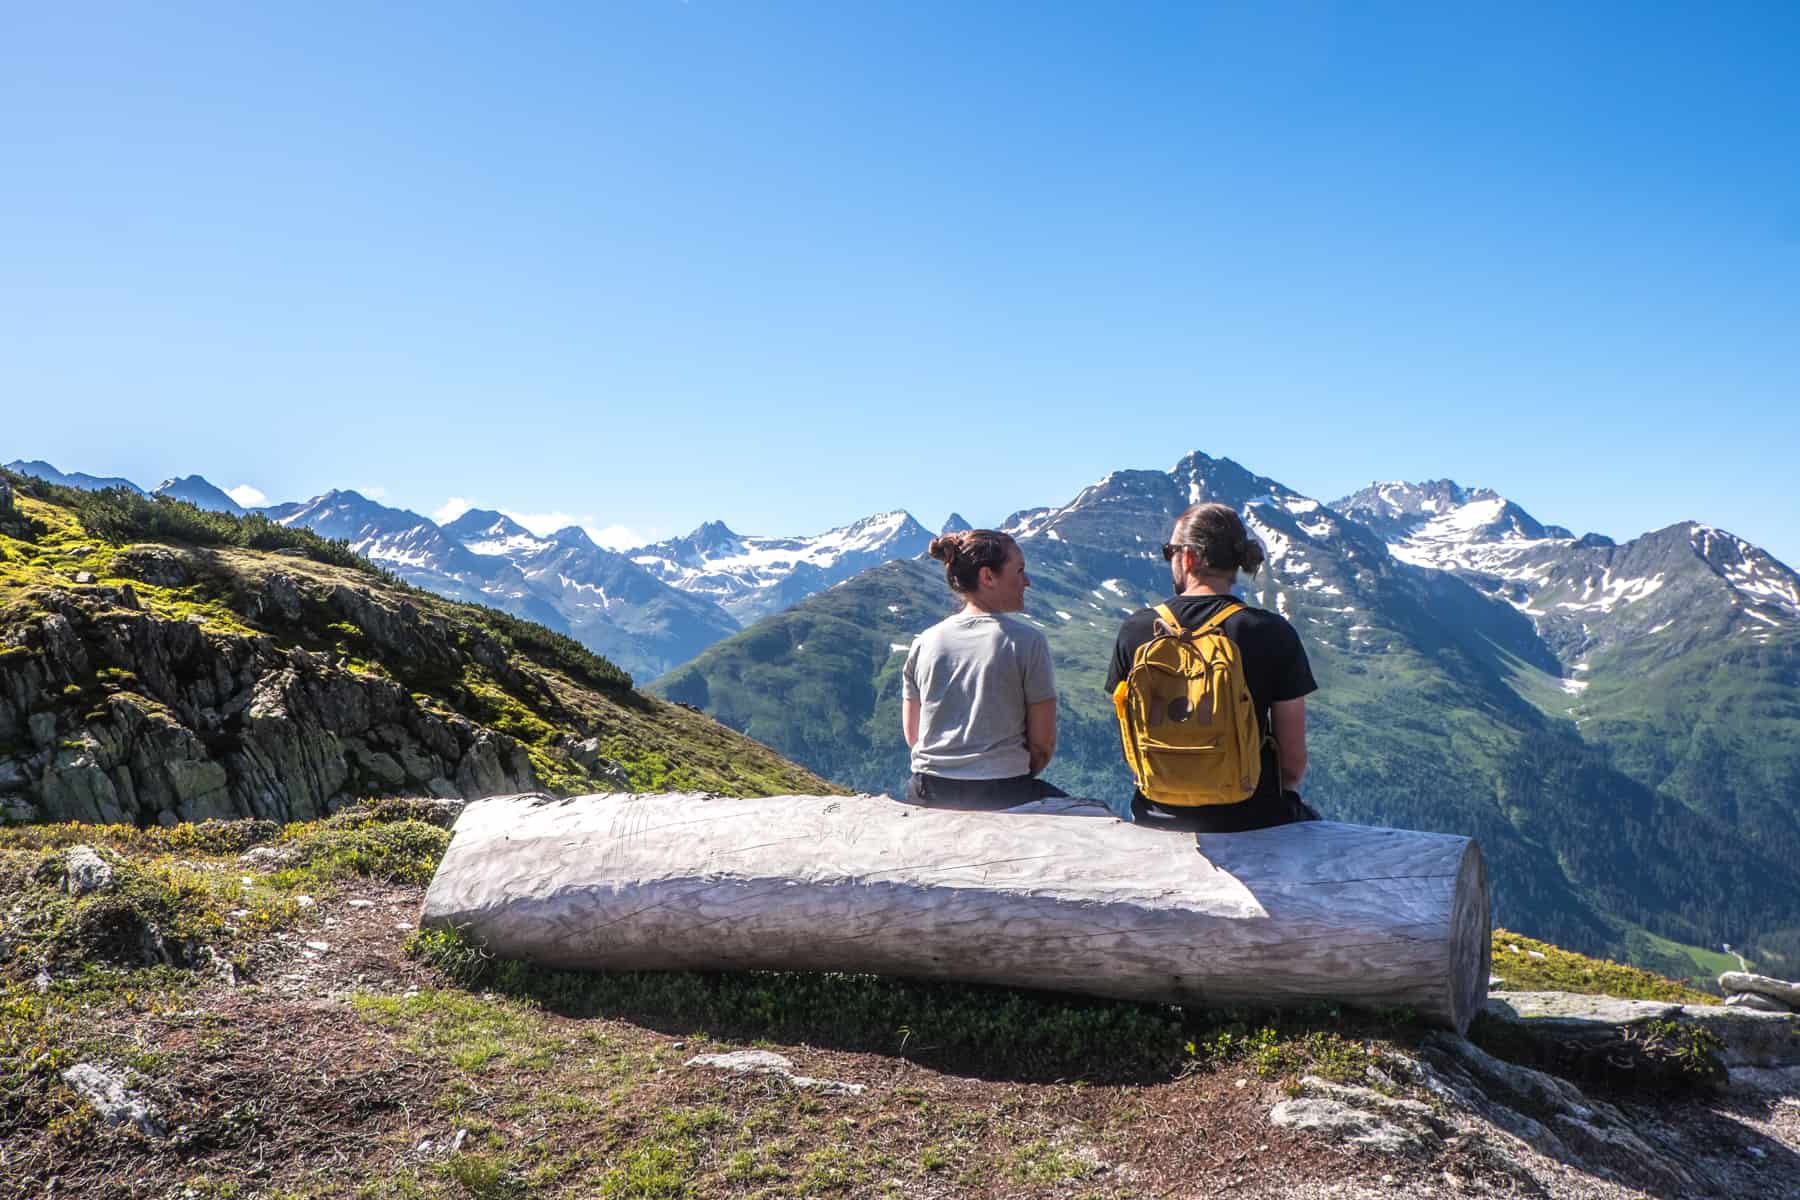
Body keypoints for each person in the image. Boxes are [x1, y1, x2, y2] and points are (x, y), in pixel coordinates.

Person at [1106, 502, 1318, 832]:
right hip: (1253, 818)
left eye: (1169, 552)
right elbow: (1293, 764)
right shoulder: (1270, 631)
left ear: (1189, 557)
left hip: (1155, 815)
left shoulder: (1136, 630)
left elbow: (1130, 739)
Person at [900, 529, 1066, 811]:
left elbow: (914, 735)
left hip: (927, 789)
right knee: (1097, 816)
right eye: (1020, 571)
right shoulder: (1027, 642)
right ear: (988, 577)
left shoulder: (924, 642)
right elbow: (1042, 745)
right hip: (1003, 789)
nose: (1027, 581)